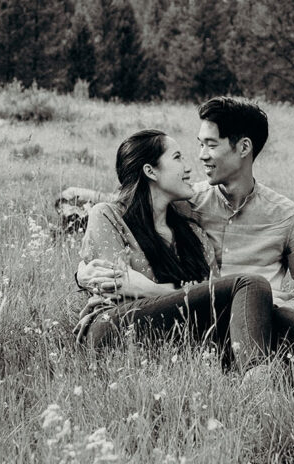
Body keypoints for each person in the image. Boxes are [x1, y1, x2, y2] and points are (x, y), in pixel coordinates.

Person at [70, 97, 294, 394]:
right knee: (251, 285)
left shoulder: (284, 217)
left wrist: (267, 307)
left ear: (243, 148)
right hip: (133, 324)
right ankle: (270, 373)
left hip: (226, 327)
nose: (198, 158)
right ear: (152, 171)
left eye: (210, 145)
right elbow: (124, 203)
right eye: (190, 149)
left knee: (259, 299)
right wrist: (82, 274)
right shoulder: (187, 201)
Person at [75, 130, 274, 375]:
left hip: (180, 334)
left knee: (269, 311)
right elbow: (116, 286)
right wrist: (179, 293)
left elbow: (210, 301)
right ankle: (257, 376)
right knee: (251, 285)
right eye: (178, 157)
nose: (189, 168)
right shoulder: (108, 215)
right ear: (151, 171)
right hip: (114, 327)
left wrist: (148, 288)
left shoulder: (192, 232)